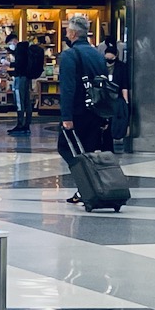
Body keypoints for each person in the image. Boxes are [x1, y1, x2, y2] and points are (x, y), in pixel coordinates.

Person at [57, 13, 107, 204]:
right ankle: (91, 188)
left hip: (77, 111)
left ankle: (86, 185)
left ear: (72, 33)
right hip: (95, 111)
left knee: (67, 148)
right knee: (89, 149)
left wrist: (66, 116)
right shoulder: (96, 54)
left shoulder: (70, 55)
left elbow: (68, 88)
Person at [103, 42, 131, 148]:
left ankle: (111, 143)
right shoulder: (101, 65)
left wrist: (126, 101)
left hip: (116, 98)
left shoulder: (121, 67)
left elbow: (124, 85)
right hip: (104, 97)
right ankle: (105, 145)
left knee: (114, 121)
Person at [7, 32, 34, 134]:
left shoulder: (20, 49)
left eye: (10, 43)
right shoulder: (26, 48)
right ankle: (27, 124)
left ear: (14, 40)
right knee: (27, 101)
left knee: (19, 101)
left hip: (20, 78)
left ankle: (20, 124)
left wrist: (9, 63)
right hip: (26, 78)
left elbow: (19, 64)